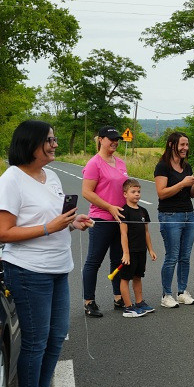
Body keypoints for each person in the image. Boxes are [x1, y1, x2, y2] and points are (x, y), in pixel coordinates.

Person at [0, 120, 93, 387]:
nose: (55, 144)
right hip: (27, 270)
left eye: (54, 139)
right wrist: (51, 226)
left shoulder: (50, 176)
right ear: (31, 143)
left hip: (57, 267)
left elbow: (53, 215)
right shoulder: (11, 180)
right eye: (49, 140)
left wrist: (74, 221)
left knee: (56, 335)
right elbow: (4, 232)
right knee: (35, 341)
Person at [81, 125, 128, 318]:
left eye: (117, 139)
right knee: (94, 261)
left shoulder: (121, 163)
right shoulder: (94, 163)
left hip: (121, 219)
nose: (115, 142)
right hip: (101, 219)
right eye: (111, 139)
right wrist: (109, 207)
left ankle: (118, 298)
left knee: (118, 260)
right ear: (100, 139)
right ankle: (89, 301)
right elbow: (86, 192)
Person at [154, 131, 194, 309]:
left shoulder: (186, 166)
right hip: (170, 215)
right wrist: (182, 183)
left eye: (187, 145)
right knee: (172, 256)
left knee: (185, 257)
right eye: (182, 145)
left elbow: (192, 195)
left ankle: (182, 292)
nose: (185, 148)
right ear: (171, 145)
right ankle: (166, 295)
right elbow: (162, 193)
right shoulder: (162, 167)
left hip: (189, 214)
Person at [117, 179, 157, 317]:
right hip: (130, 252)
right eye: (133, 192)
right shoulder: (124, 211)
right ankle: (128, 307)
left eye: (138, 191)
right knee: (125, 278)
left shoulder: (143, 211)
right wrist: (126, 253)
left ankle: (139, 302)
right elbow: (123, 234)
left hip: (141, 251)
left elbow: (146, 232)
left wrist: (150, 249)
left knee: (138, 277)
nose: (137, 194)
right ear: (125, 194)